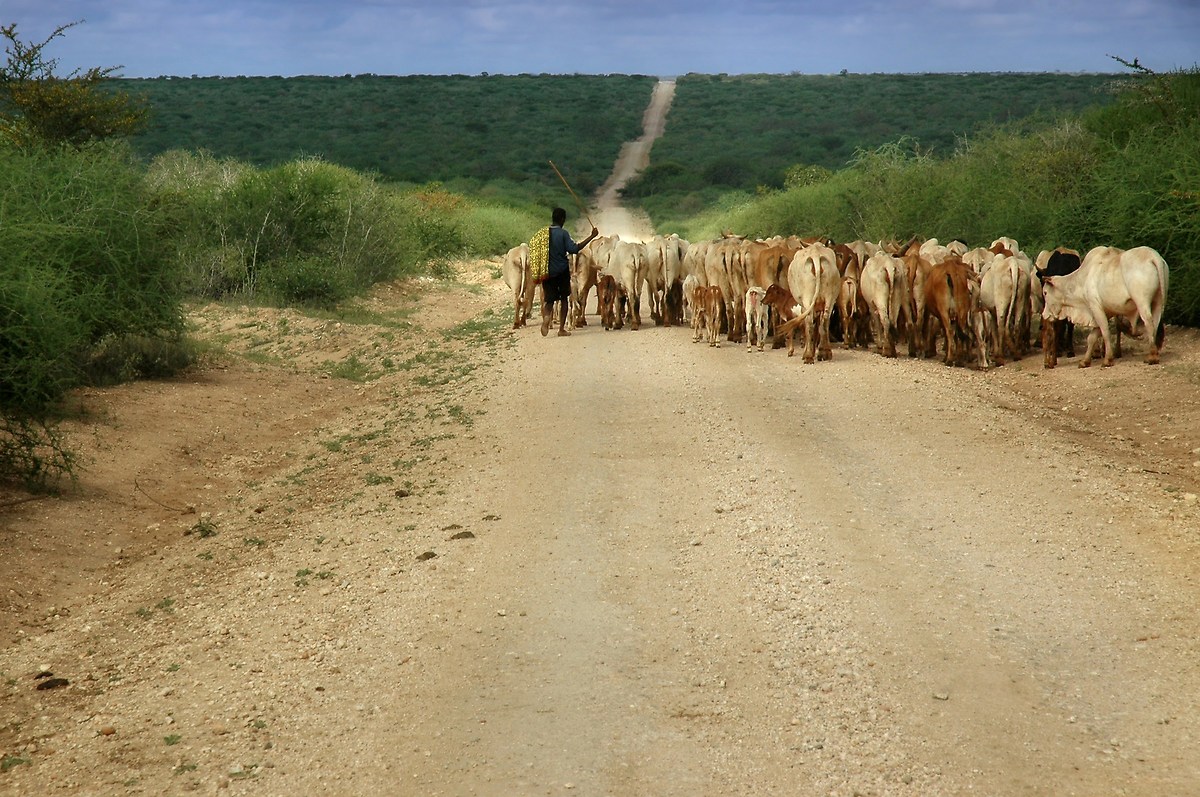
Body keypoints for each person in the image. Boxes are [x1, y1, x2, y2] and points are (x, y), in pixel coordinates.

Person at [542, 207, 598, 337]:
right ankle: (561, 329)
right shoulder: (563, 234)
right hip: (561, 271)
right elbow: (574, 249)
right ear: (562, 219)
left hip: (547, 271)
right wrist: (592, 236)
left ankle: (546, 318)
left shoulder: (543, 234)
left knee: (549, 299)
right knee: (564, 299)